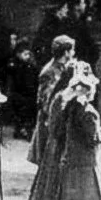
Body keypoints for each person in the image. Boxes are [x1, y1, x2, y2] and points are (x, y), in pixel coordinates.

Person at [29, 66, 101, 200]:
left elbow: (56, 129)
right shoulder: (87, 111)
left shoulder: (67, 106)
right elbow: (91, 138)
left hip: (67, 159)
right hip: (83, 162)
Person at [29, 36, 77, 164]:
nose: (73, 53)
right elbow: (47, 102)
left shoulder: (64, 68)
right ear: (66, 52)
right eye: (72, 50)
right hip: (49, 123)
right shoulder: (49, 72)